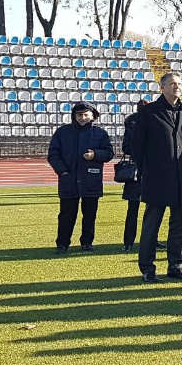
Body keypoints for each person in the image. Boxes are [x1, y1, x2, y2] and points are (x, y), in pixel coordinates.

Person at [132, 73, 182, 283]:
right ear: (162, 87)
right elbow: (137, 147)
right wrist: (148, 169)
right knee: (152, 224)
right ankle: (147, 268)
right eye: (172, 84)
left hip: (181, 178)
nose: (176, 87)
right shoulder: (149, 112)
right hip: (157, 178)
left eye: (179, 83)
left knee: (179, 225)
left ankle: (175, 265)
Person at [47, 101, 114, 254]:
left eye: (85, 115)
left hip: (91, 179)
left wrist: (95, 155)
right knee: (66, 214)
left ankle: (87, 242)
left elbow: (109, 153)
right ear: (73, 116)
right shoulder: (62, 132)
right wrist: (62, 171)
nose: (82, 118)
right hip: (68, 179)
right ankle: (62, 243)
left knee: (90, 214)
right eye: (79, 115)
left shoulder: (100, 133)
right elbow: (53, 154)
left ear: (92, 116)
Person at [121, 99, 150, 252]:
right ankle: (129, 241)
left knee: (143, 209)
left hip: (144, 169)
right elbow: (126, 147)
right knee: (140, 208)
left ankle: (130, 242)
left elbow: (125, 147)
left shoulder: (132, 122)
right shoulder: (136, 123)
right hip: (142, 169)